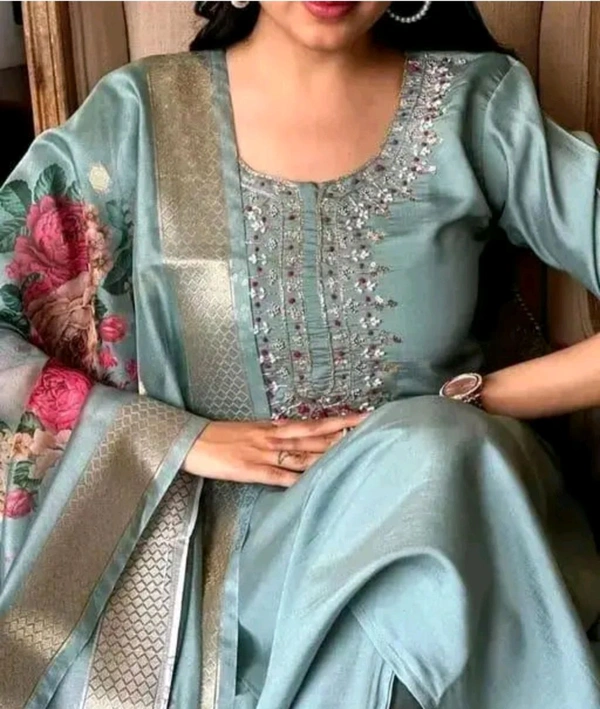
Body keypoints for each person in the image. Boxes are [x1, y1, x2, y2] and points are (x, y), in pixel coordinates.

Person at [0, 1, 599, 706]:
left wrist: (475, 401)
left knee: (435, 467)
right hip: (219, 565)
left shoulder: (473, 108)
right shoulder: (138, 119)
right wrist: (178, 440)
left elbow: (444, 448)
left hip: (448, 518)